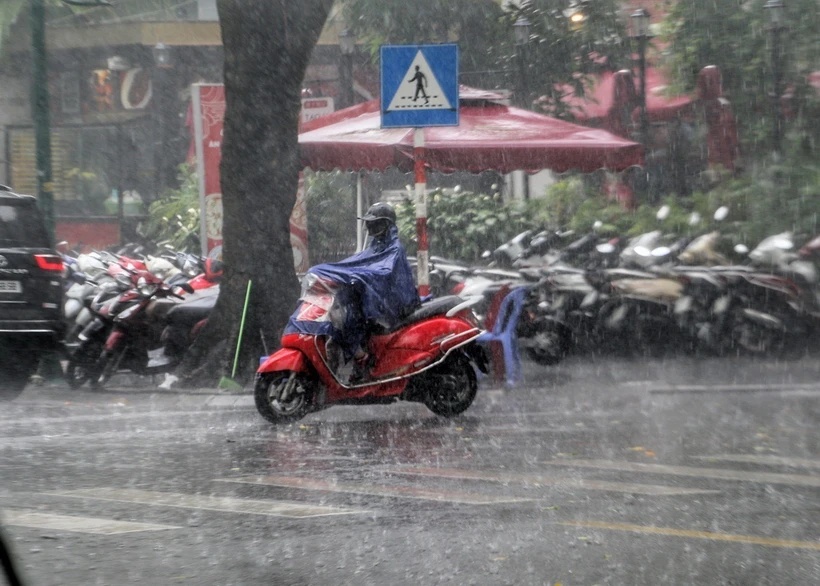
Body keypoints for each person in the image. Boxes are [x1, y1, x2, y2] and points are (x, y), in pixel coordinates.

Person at [293, 202, 419, 382]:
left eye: (374, 224)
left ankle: (362, 360)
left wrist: (357, 277)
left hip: (390, 307)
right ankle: (343, 372)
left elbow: (381, 274)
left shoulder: (394, 249)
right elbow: (356, 264)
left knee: (349, 322)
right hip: (374, 303)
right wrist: (337, 274)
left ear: (385, 225)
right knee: (340, 325)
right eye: (369, 224)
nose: (370, 227)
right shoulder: (376, 246)